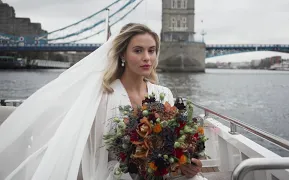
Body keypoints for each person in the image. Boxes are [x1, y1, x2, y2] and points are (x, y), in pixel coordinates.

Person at [0, 23, 204, 180]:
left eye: (151, 50)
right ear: (123, 54)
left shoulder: (164, 94)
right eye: (138, 50)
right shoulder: (103, 97)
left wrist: (186, 164)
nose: (147, 58)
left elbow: (173, 149)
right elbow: (97, 157)